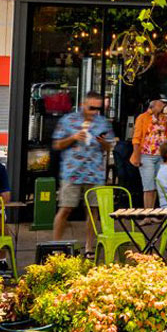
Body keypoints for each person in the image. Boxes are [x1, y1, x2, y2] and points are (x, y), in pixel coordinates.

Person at [52, 92, 116, 254]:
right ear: (82, 105)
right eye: (91, 107)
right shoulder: (68, 120)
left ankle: (89, 247)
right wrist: (73, 137)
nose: (95, 111)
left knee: (93, 211)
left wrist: (103, 143)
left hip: (94, 172)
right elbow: (57, 145)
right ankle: (56, 247)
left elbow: (109, 147)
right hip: (72, 171)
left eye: (98, 108)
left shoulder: (103, 123)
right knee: (65, 208)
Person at [130, 98, 167, 209]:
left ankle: (152, 211)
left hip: (161, 155)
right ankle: (147, 213)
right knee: (148, 186)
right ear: (152, 107)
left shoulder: (164, 119)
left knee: (157, 186)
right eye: (160, 105)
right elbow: (136, 137)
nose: (162, 107)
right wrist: (136, 156)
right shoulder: (143, 118)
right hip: (147, 155)